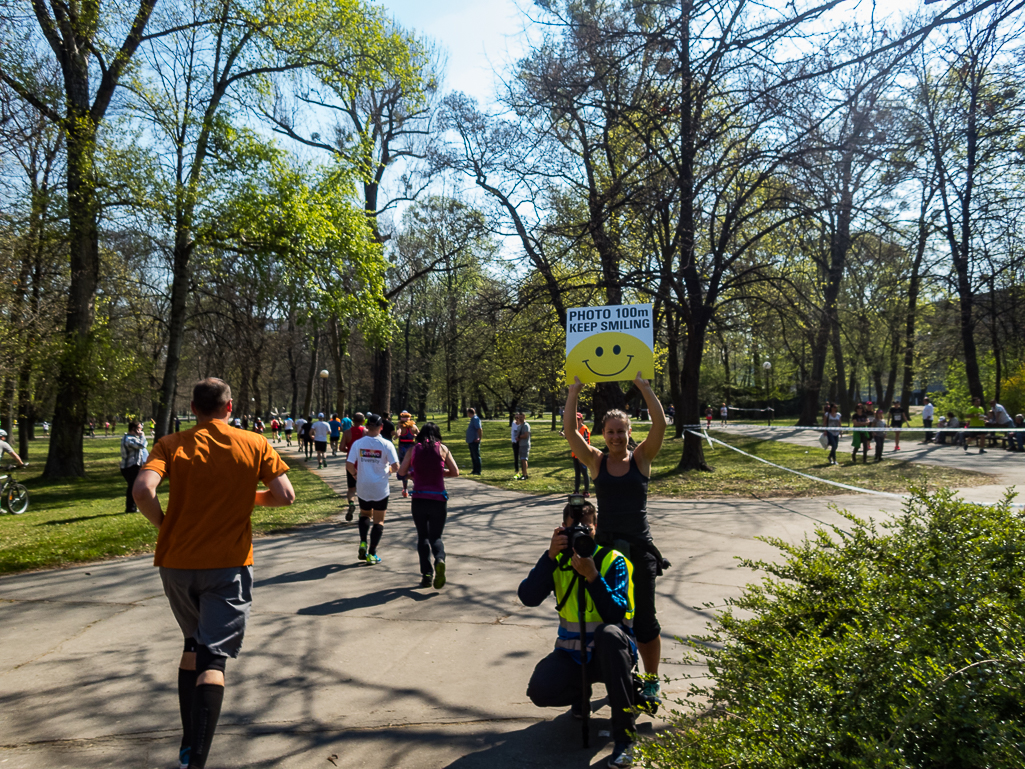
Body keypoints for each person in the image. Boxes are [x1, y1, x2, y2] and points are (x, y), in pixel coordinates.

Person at [133, 378, 294, 769]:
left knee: (193, 644)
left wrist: (164, 524)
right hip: (228, 564)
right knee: (213, 660)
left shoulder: (170, 444)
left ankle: (190, 741)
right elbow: (285, 495)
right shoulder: (254, 443)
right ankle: (197, 762)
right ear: (229, 406)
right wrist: (246, 496)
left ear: (193, 407)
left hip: (176, 563)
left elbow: (142, 490)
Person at [563, 372, 667, 709]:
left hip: (639, 548)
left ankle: (651, 681)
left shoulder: (641, 459)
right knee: (610, 616)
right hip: (606, 549)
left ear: (629, 432)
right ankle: (617, 671)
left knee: (646, 620)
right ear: (602, 435)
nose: (616, 436)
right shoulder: (597, 461)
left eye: (621, 431)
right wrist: (574, 391)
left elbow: (661, 426)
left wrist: (645, 389)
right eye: (610, 432)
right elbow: (569, 432)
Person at [520, 500, 637, 768]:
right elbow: (528, 597)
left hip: (613, 655)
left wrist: (593, 577)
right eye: (572, 531)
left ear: (595, 529)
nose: (579, 537)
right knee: (541, 691)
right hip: (572, 654)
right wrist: (548, 557)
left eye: (585, 530)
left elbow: (615, 613)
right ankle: (580, 694)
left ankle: (625, 738)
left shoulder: (612, 561)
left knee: (608, 633)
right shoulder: (557, 561)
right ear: (562, 530)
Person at [399, 422, 459, 588]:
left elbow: (402, 472)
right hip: (438, 500)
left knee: (422, 537)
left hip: (419, 499)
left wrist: (413, 475)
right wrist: (439, 473)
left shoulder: (413, 449)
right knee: (436, 537)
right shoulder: (443, 449)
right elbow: (455, 472)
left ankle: (427, 574)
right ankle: (439, 559)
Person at [346, 414, 399, 565]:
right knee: (379, 520)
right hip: (380, 487)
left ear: (367, 426)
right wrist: (388, 471)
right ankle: (372, 553)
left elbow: (349, 464)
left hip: (363, 485)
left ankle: (363, 541)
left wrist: (355, 475)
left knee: (364, 514)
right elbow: (396, 467)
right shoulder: (387, 444)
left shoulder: (358, 443)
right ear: (381, 427)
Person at [119, 421, 148, 514]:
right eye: (139, 428)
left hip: (134, 466)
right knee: (133, 487)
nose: (141, 430)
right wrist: (143, 436)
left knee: (134, 487)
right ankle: (131, 508)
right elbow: (142, 445)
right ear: (133, 429)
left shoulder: (133, 438)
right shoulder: (128, 439)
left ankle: (132, 507)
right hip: (129, 467)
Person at [560, 412, 591, 497]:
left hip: (582, 454)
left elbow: (586, 442)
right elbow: (572, 440)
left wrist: (583, 455)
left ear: (581, 419)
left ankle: (586, 491)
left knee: (584, 473)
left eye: (578, 419)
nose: (576, 421)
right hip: (575, 454)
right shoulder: (574, 429)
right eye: (575, 420)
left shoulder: (584, 429)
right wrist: (564, 435)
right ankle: (576, 490)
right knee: (577, 473)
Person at [343, 413, 367, 518]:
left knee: (351, 488)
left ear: (353, 420)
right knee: (363, 488)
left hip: (351, 463)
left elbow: (341, 447)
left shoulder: (347, 432)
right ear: (363, 421)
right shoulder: (366, 432)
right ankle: (363, 510)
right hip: (364, 464)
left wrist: (349, 451)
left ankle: (351, 503)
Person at [396, 410, 419, 498]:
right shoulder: (414, 426)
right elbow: (419, 434)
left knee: (404, 469)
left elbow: (398, 433)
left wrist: (396, 435)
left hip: (402, 449)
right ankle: (416, 487)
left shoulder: (400, 425)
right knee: (413, 468)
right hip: (412, 448)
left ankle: (405, 489)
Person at [465, 408, 483, 475]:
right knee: (473, 456)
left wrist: (479, 438)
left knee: (476, 455)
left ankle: (478, 470)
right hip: (471, 440)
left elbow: (479, 429)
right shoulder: (473, 419)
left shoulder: (475, 419)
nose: (467, 414)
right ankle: (474, 470)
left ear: (470, 413)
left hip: (474, 440)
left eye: (468, 413)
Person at [515, 412, 531, 480]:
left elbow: (526, 435)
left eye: (522, 417)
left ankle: (525, 475)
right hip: (520, 444)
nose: (520, 418)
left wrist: (519, 437)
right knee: (522, 459)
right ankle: (523, 474)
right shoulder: (520, 425)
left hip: (525, 444)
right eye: (519, 417)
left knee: (524, 459)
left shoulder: (526, 425)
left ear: (524, 417)